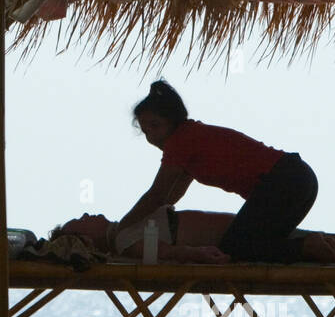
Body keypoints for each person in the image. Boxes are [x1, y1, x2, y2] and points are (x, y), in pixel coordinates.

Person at [112, 80, 323, 264]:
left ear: (172, 120)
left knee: (236, 248)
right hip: (298, 178)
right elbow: (170, 196)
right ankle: (316, 247)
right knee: (259, 242)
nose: (151, 137)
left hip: (285, 180)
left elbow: (157, 194)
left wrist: (121, 228)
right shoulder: (191, 138)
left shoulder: (181, 141)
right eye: (146, 131)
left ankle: (307, 247)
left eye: (155, 126)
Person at [58, 210, 335, 265]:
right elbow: (168, 253)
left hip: (254, 229)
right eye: (80, 220)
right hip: (253, 241)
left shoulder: (126, 225)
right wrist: (202, 255)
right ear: (83, 239)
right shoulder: (122, 240)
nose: (87, 213)